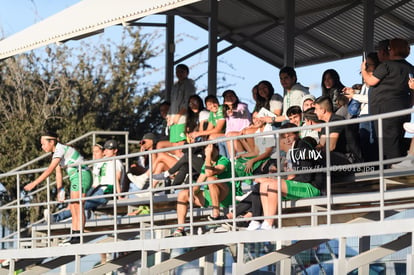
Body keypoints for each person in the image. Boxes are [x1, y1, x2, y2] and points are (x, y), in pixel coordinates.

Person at [24, 131, 92, 245]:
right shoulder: (56, 153)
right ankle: (75, 234)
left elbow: (49, 170)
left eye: (43, 143)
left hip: (81, 174)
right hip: (75, 177)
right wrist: (60, 190)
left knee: (78, 206)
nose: (42, 146)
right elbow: (58, 173)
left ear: (52, 142)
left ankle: (78, 235)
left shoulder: (60, 149)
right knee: (74, 206)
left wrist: (34, 183)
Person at [253, 125, 324, 230]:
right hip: (303, 185)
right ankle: (266, 222)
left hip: (312, 187)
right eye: (283, 137)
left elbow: (306, 176)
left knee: (273, 184)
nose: (286, 140)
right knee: (264, 184)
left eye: (288, 136)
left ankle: (269, 223)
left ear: (295, 135)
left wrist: (282, 181)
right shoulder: (293, 151)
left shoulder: (302, 146)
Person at [173, 143, 242, 237]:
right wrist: (192, 193)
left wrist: (208, 156)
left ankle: (216, 213)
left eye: (212, 150)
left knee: (211, 179)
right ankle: (180, 229)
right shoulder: (206, 164)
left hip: (227, 194)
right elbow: (198, 184)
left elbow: (210, 173)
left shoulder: (223, 160)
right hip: (211, 195)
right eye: (208, 150)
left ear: (217, 150)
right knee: (183, 194)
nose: (211, 152)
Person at [361, 38, 412, 161]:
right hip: (403, 110)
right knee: (397, 139)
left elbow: (370, 81)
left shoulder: (386, 65)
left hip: (385, 111)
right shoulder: (410, 67)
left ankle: (393, 170)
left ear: (392, 50)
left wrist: (363, 69)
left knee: (387, 143)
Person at [343, 52, 380, 162]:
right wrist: (354, 93)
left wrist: (355, 95)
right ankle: (368, 165)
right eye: (365, 65)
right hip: (363, 115)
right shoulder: (365, 84)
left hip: (372, 114)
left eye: (368, 65)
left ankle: (375, 166)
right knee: (365, 143)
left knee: (373, 143)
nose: (365, 68)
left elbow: (372, 99)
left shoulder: (378, 82)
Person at [314, 96, 362, 166]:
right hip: (339, 158)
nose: (314, 112)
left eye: (316, 109)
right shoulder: (326, 124)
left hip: (351, 159)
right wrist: (311, 153)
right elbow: (321, 144)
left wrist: (317, 155)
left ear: (323, 110)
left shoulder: (336, 121)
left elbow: (331, 147)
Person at [167, 64, 196, 145]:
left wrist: (179, 115)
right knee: (174, 140)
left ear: (186, 73)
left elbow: (187, 101)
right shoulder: (175, 86)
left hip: (183, 116)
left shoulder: (189, 84)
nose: (179, 74)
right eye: (177, 72)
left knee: (181, 139)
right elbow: (172, 102)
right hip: (174, 115)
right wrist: (169, 115)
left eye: (181, 72)